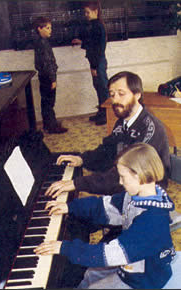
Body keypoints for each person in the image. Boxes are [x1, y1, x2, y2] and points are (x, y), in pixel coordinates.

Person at [34, 143, 176, 289]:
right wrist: (70, 207)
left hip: (143, 279)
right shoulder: (134, 196)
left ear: (139, 175)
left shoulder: (152, 221)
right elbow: (104, 207)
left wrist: (64, 248)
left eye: (122, 177)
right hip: (130, 257)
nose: (120, 182)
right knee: (90, 274)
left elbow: (110, 253)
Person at [45, 71, 171, 199]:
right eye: (112, 95)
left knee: (83, 211)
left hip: (145, 194)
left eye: (121, 94)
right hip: (126, 182)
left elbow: (124, 175)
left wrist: (77, 183)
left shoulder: (150, 130)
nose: (115, 100)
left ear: (137, 94)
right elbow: (107, 151)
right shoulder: (123, 121)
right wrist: (82, 159)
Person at [72, 1, 109, 125]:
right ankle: (101, 112)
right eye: (85, 12)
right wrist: (81, 41)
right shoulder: (93, 25)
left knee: (102, 88)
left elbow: (98, 48)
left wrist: (94, 67)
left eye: (88, 12)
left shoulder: (97, 25)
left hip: (98, 62)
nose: (86, 15)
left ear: (95, 11)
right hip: (96, 61)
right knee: (98, 87)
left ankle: (105, 115)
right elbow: (91, 41)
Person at [33, 16, 68, 134]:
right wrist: (53, 79)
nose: (50, 30)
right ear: (39, 28)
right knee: (49, 103)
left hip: (45, 76)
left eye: (50, 28)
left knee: (46, 102)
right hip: (48, 77)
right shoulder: (42, 44)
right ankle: (51, 127)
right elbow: (47, 63)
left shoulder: (41, 41)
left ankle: (48, 124)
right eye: (47, 28)